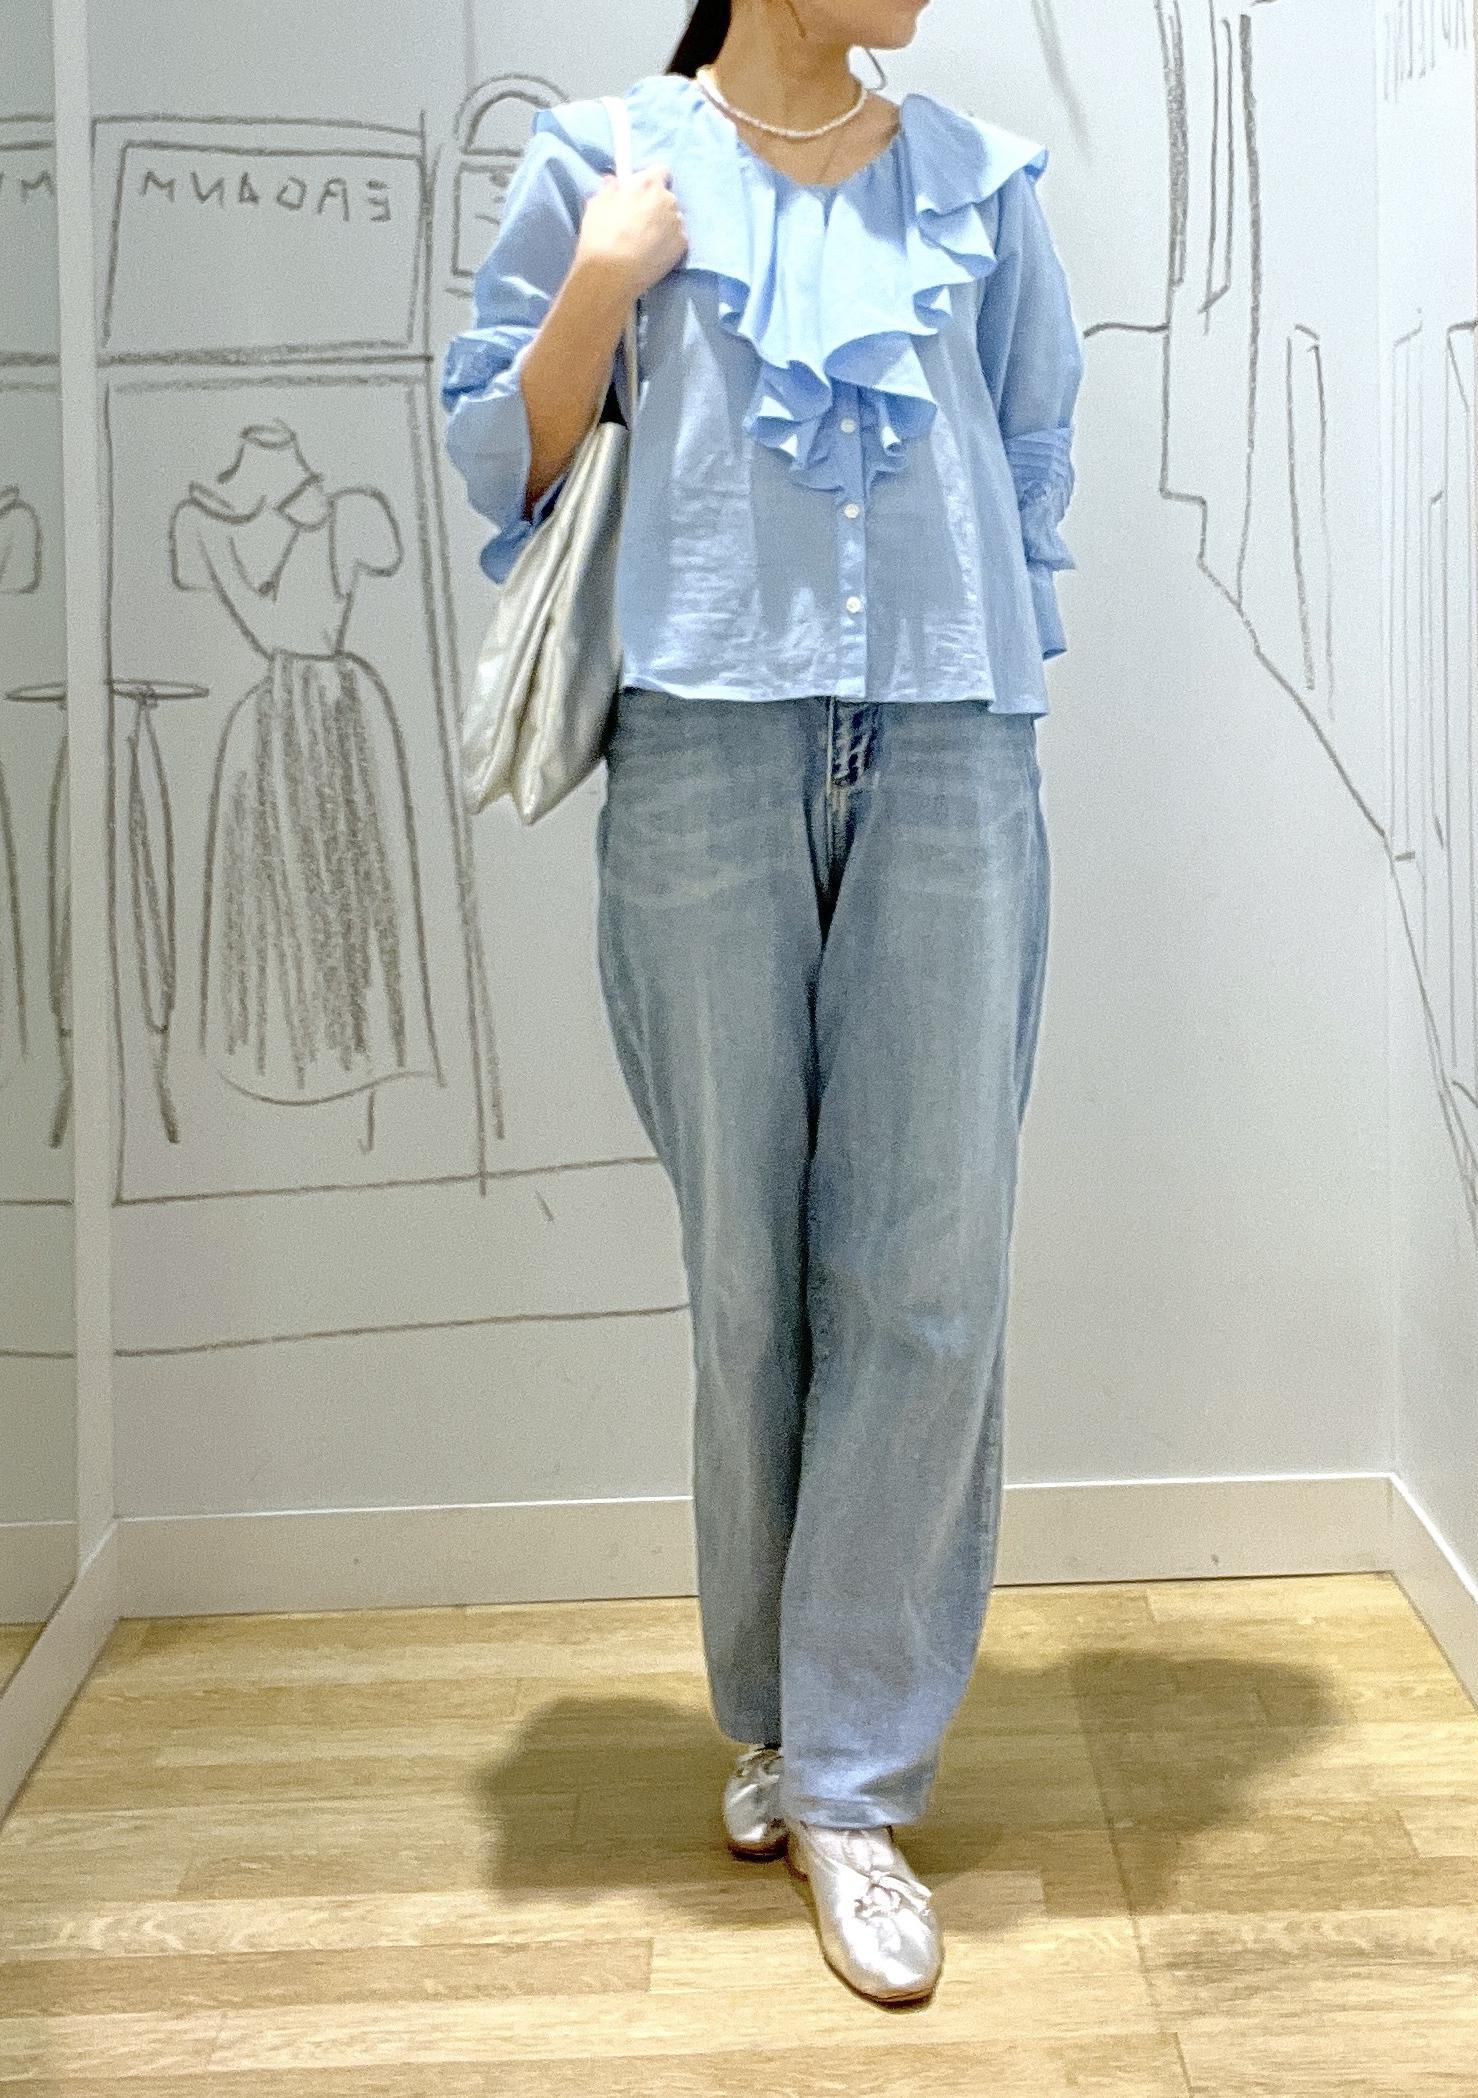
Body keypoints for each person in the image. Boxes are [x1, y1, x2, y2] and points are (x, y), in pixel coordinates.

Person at [441, 0, 1083, 2008]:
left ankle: (852, 1778)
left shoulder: (980, 184)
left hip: (952, 748)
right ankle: (776, 1720)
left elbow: (1033, 448)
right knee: (747, 1273)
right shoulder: (603, 161)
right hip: (701, 751)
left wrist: (981, 649)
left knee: (925, 1270)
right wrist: (600, 283)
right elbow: (495, 455)